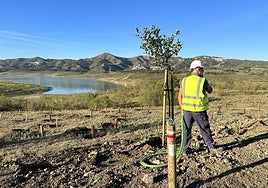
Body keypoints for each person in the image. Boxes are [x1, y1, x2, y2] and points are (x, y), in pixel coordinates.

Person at [178, 59, 220, 154]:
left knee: (186, 130)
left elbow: (179, 96)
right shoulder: (202, 81)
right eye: (202, 69)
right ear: (197, 69)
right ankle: (211, 147)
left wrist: (182, 108)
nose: (203, 72)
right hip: (199, 110)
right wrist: (208, 84)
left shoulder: (184, 80)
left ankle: (184, 149)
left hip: (187, 111)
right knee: (204, 128)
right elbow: (210, 90)